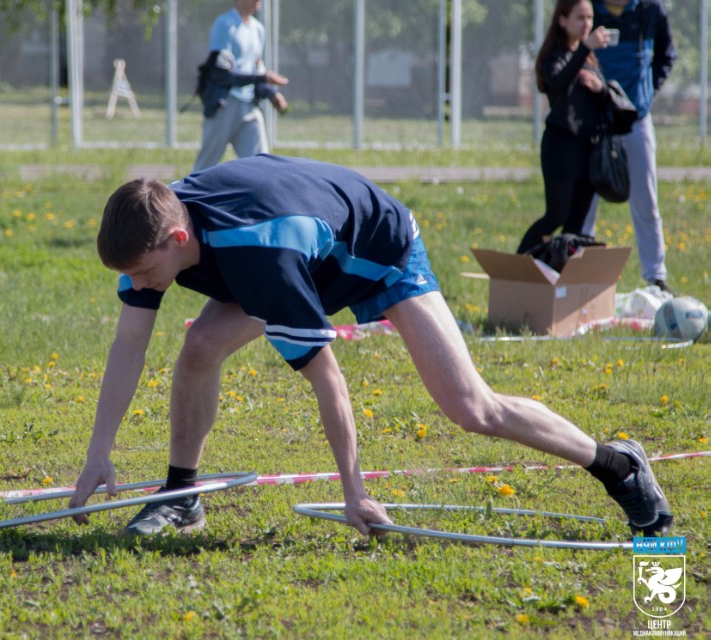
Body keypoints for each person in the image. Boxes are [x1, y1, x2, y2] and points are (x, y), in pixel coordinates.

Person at [68, 154, 673, 540]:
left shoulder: (263, 258)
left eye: (144, 272)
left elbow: (328, 378)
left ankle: (618, 465)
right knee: (200, 346)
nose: (138, 283)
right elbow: (128, 345)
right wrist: (98, 451)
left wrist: (353, 491)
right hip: (292, 243)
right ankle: (181, 495)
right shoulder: (155, 227)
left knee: (471, 407)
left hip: (381, 250)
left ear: (178, 239)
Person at [582, 0, 677, 293]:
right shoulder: (589, 9)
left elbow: (666, 55)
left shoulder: (650, 9)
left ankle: (656, 277)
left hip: (636, 117)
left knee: (646, 200)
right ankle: (580, 275)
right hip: (596, 118)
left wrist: (646, 92)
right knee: (584, 201)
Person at [517, 0, 611, 256]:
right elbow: (557, 83)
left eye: (590, 18)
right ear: (562, 20)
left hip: (588, 150)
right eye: (580, 18)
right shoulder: (554, 55)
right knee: (556, 215)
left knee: (576, 224)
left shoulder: (589, 57)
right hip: (561, 147)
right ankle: (517, 266)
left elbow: (603, 102)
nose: (587, 24)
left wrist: (601, 89)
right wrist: (585, 48)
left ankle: (559, 273)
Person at [191, 0, 289, 173]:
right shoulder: (224, 24)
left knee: (261, 166)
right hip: (224, 106)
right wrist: (262, 77)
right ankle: (182, 192)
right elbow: (221, 74)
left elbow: (256, 69)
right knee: (205, 169)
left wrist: (271, 93)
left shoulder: (258, 29)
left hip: (249, 107)